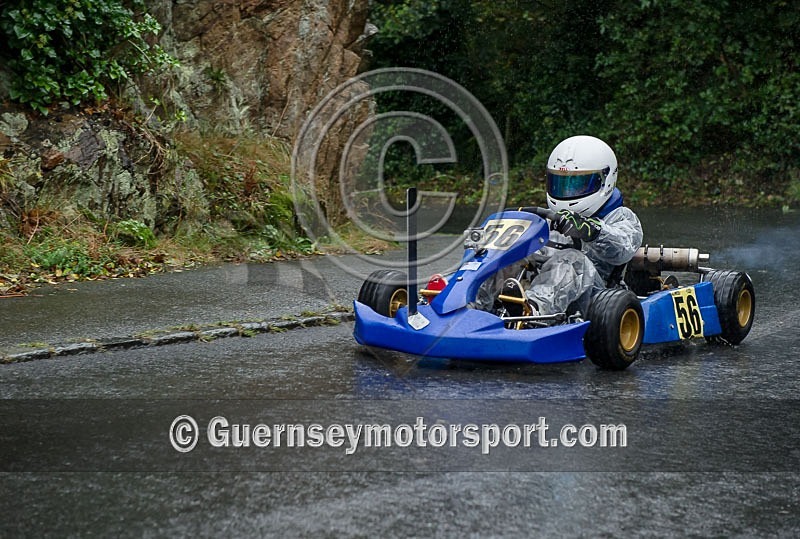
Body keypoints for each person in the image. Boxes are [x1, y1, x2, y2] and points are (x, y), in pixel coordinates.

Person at [499, 135, 643, 317]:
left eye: (577, 184)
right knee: (505, 255)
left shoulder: (621, 217)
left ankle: (531, 311)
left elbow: (623, 249)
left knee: (572, 259)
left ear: (605, 180)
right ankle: (469, 305)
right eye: (561, 183)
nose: (567, 192)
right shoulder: (549, 218)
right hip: (545, 285)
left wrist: (591, 230)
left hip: (597, 301)